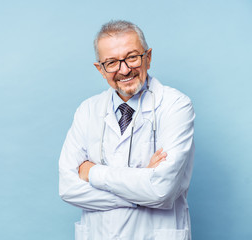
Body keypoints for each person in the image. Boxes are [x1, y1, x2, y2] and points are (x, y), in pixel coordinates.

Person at [59, 20, 195, 240]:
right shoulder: (87, 110)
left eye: (132, 57)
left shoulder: (175, 105)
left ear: (148, 57)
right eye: (111, 62)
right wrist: (140, 186)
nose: (124, 69)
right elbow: (68, 188)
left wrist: (92, 172)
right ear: (101, 69)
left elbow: (161, 191)